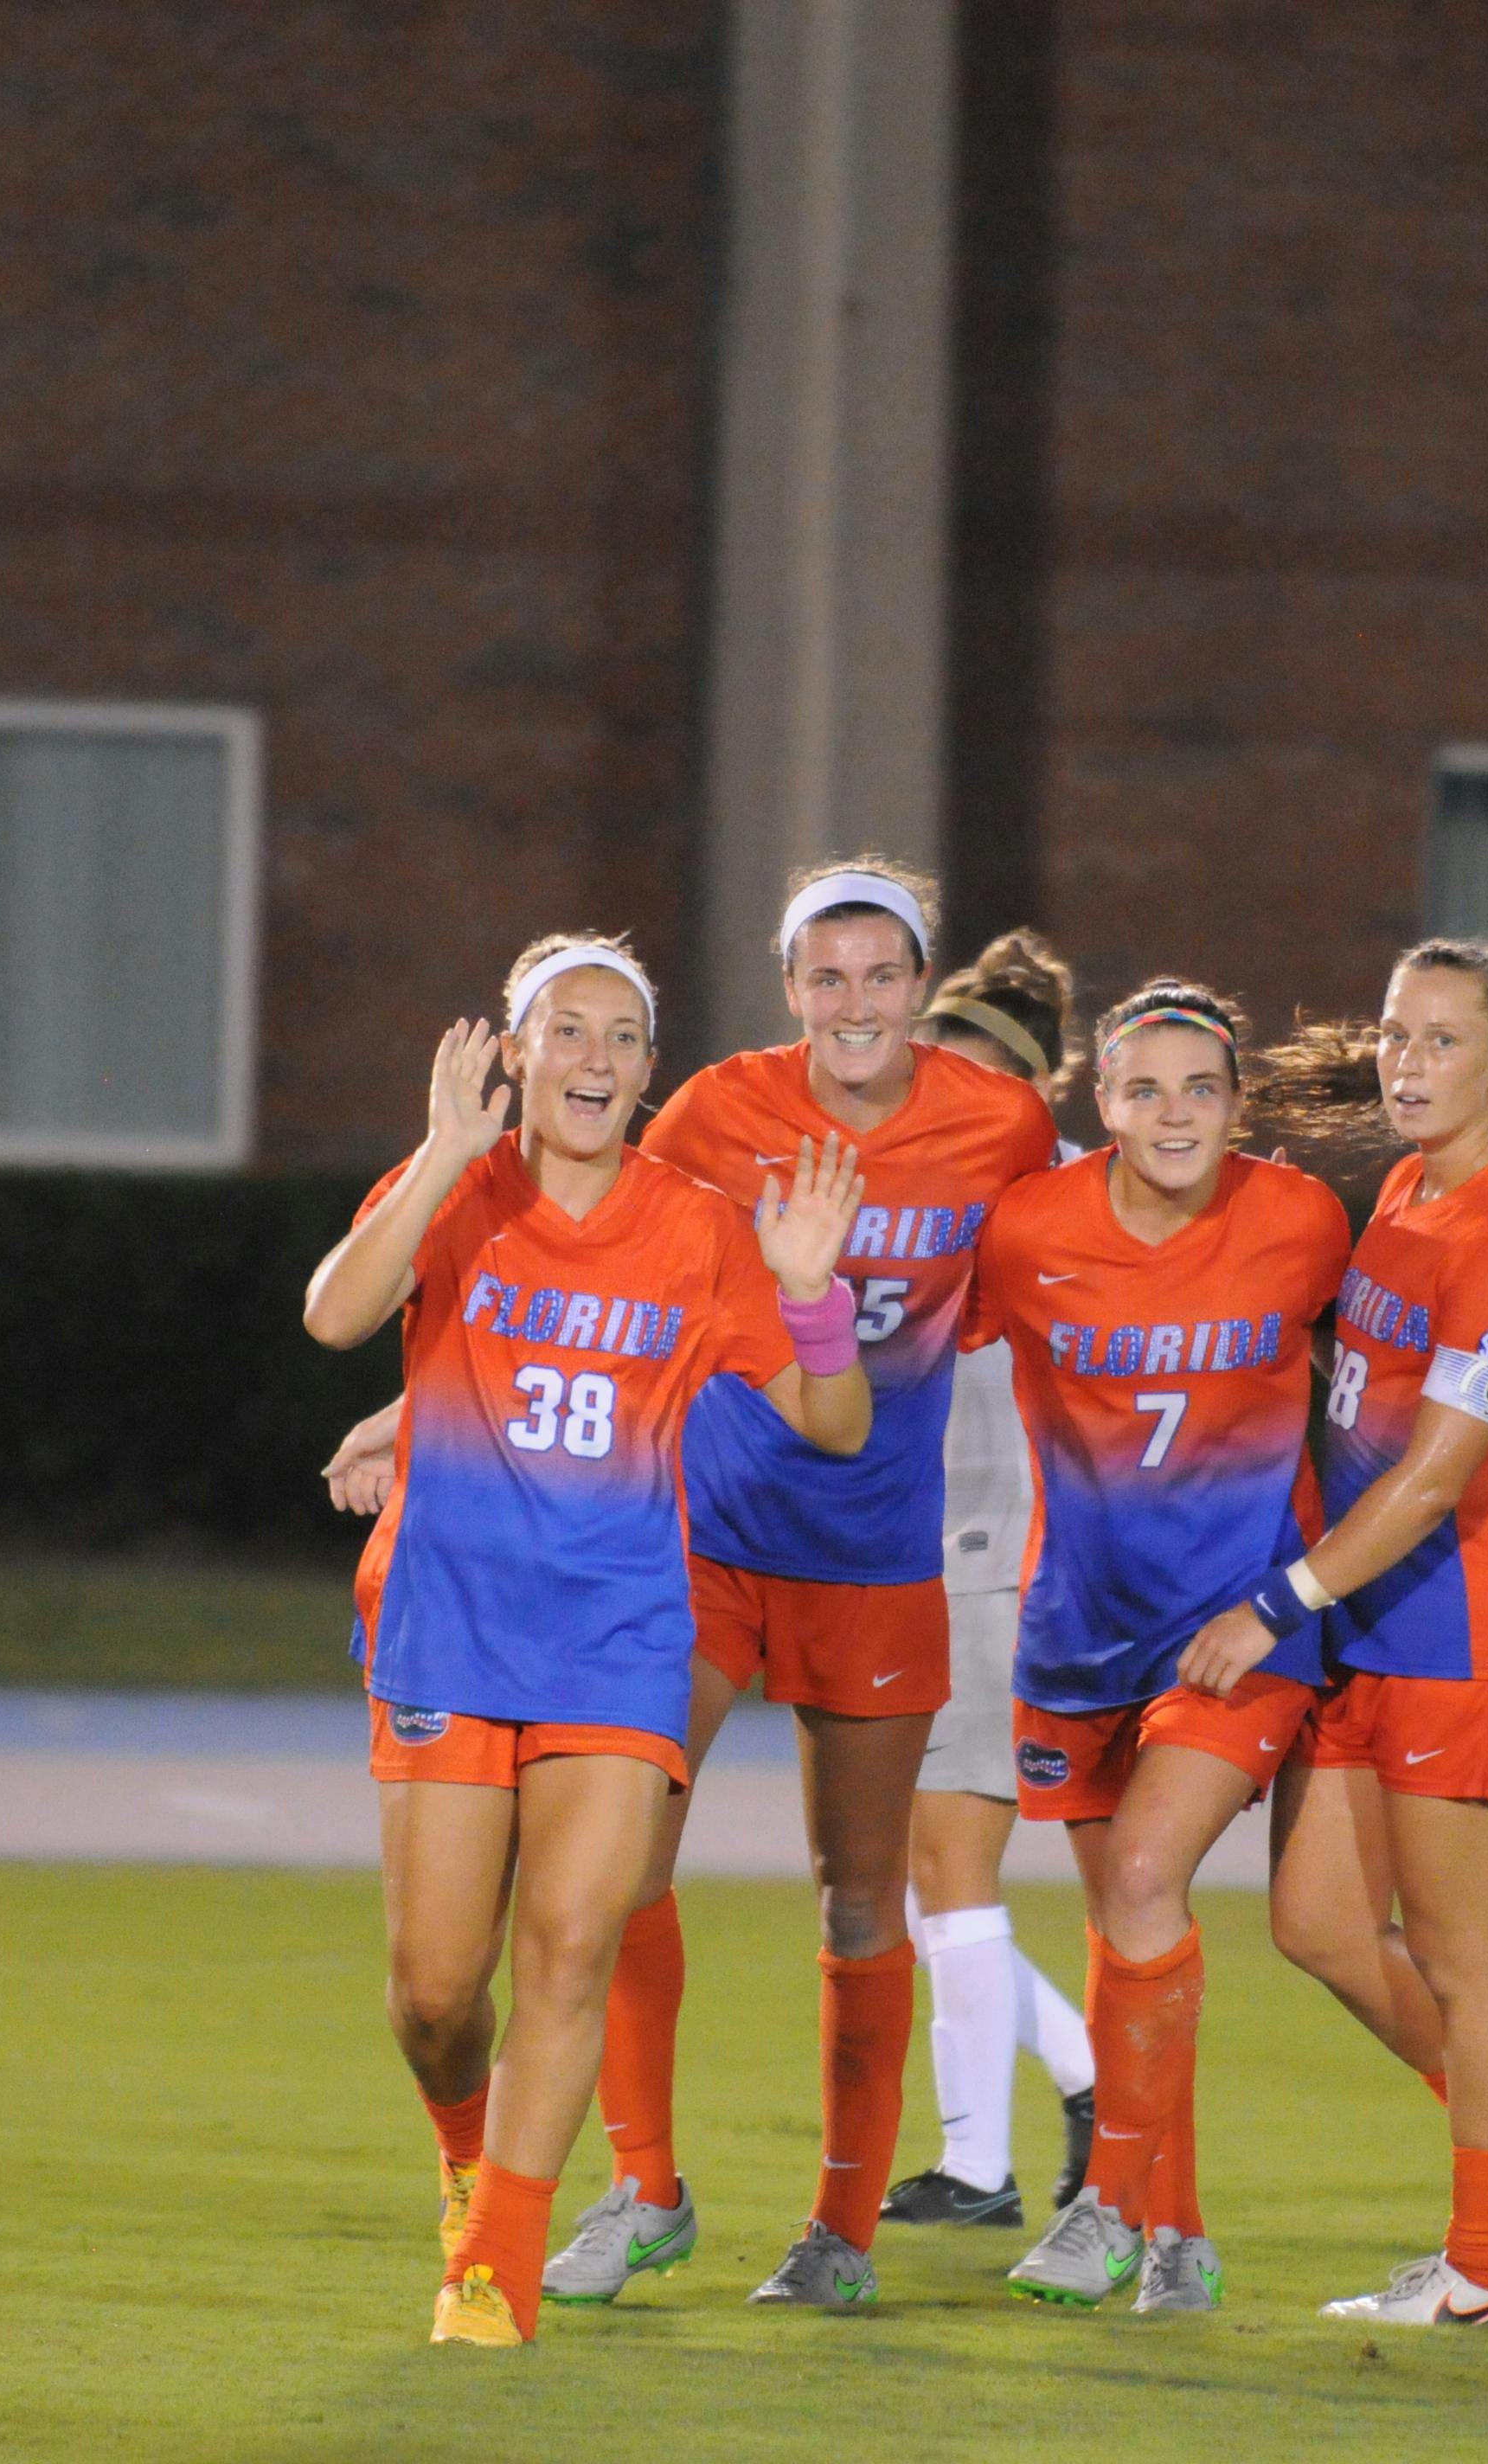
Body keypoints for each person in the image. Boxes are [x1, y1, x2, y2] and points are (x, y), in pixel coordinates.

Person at [302, 934, 872, 2347]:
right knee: (439, 1992)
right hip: (448, 1628)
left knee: (570, 1946)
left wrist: (808, 1286)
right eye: (568, 1031)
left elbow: (834, 1420)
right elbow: (333, 1318)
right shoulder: (455, 1193)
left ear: (647, 1070)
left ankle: (492, 2268)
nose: (596, 1060)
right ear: (517, 1052)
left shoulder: (694, 1225)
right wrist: (439, 1157)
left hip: (618, 1641)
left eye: (622, 1037)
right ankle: (460, 2152)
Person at [545, 861, 1063, 2313]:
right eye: (824, 978)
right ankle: (645, 2188)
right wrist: (425, 1404)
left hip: (876, 1554)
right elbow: (615, 1255)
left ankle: (840, 2232)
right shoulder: (716, 1110)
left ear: (921, 986)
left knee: (857, 1901)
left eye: (880, 976)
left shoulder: (999, 1124)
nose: (853, 1004)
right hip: (705, 1536)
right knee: (622, 1864)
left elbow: (1065, 1279)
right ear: (791, 990)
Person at [968, 980, 1356, 2317]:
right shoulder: (1026, 1232)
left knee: (1141, 1875)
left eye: (1203, 1088)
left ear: (1241, 1105)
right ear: (1103, 1107)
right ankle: (1177, 2235)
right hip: (1079, 1630)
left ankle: (1109, 2207)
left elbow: (1394, 1375)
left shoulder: (1303, 1220)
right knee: (1129, 1927)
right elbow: (899, 1336)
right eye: (1147, 1089)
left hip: (1241, 1632)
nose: (1175, 1112)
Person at [1244, 940, 1488, 2328]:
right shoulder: (1404, 1189)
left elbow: (1438, 1472)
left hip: (1472, 1640)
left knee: (1469, 1958)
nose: (1408, 1062)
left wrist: (1284, 1597)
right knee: (1320, 1924)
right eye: (1396, 1034)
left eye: (1444, 1041)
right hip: (1379, 1633)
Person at [882, 934, 1102, 2230]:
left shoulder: (1035, 1197)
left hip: (995, 1559)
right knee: (923, 1875)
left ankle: (982, 2165)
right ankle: (1076, 2082)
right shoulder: (985, 1184)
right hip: (939, 1554)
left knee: (950, 1865)